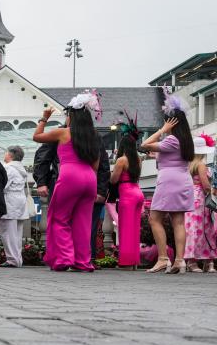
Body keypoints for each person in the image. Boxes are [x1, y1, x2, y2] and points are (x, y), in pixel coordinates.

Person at [32, 92, 101, 272]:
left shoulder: (63, 132)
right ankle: (83, 262)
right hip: (90, 179)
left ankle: (64, 258)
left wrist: (44, 118)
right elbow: (96, 164)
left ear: (71, 117)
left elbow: (37, 136)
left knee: (58, 218)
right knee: (83, 222)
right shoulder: (93, 135)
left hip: (70, 176)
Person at [142, 94, 195, 274]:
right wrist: (158, 155)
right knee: (178, 222)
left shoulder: (171, 139)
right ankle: (179, 261)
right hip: (182, 179)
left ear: (171, 123)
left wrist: (161, 130)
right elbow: (173, 157)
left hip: (169, 181)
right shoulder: (185, 140)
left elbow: (144, 144)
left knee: (155, 218)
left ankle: (163, 258)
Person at [109, 119, 143, 270]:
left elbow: (114, 179)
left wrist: (110, 174)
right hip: (138, 192)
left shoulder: (122, 160)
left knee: (126, 229)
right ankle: (134, 261)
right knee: (135, 229)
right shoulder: (138, 159)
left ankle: (126, 262)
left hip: (127, 194)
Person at [183, 137, 216, 272]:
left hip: (189, 196)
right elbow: (205, 184)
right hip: (200, 198)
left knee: (192, 229)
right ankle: (204, 261)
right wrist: (211, 191)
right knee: (205, 229)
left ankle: (192, 259)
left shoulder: (188, 164)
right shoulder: (201, 165)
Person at [0, 146, 30, 267]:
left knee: (7, 232)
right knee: (18, 233)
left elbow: (4, 186)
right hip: (20, 201)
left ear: (10, 155)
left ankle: (12, 259)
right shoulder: (21, 168)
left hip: (10, 201)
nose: (5, 154)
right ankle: (17, 259)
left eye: (6, 152)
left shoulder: (8, 168)